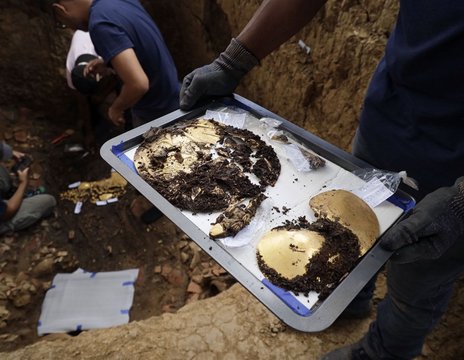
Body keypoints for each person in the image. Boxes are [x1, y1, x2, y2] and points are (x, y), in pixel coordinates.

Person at [179, 1, 464, 359]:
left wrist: (461, 201)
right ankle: (347, 298)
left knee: (416, 286)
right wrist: (232, 62)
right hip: (388, 120)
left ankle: (383, 352)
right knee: (345, 224)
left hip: (453, 172)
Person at [51, 0, 180, 128]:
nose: (72, 28)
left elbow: (138, 84)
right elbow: (139, 43)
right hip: (176, 96)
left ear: (61, 10)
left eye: (63, 24)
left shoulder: (99, 24)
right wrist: (110, 62)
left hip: (157, 114)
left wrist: (116, 108)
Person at [0, 135, 56, 239]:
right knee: (49, 201)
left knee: (1, 176)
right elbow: (8, 213)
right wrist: (23, 183)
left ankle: (1, 199)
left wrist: (8, 153)